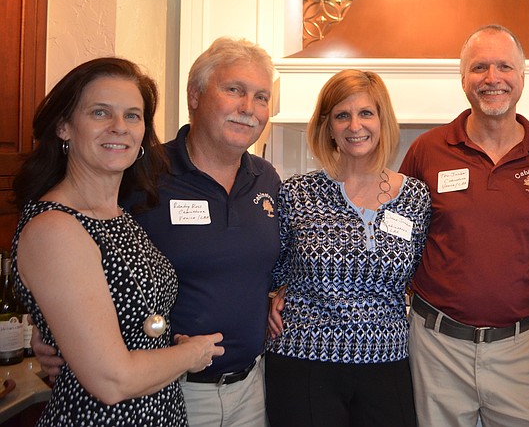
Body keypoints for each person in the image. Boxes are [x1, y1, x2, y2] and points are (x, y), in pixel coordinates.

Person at [33, 37, 281, 427]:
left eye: (261, 97)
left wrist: (279, 292)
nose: (248, 108)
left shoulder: (266, 178)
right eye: (234, 90)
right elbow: (74, 258)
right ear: (195, 95)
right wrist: (49, 328)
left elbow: (272, 260)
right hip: (166, 389)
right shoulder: (140, 174)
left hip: (250, 387)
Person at [11, 57, 224, 426]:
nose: (119, 128)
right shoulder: (55, 228)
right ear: (64, 126)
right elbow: (112, 380)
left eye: (132, 116)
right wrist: (193, 353)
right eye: (99, 113)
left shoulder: (117, 214)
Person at [399, 24, 529, 427]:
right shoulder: (427, 150)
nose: (492, 78)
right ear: (463, 79)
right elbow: (401, 242)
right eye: (479, 67)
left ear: (522, 77)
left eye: (504, 67)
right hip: (437, 347)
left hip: (518, 349)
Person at [265, 69, 431, 427]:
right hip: (304, 359)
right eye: (342, 115)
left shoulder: (415, 198)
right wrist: (267, 299)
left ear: (382, 119)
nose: (355, 125)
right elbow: (269, 266)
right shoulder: (296, 193)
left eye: (366, 113)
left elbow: (419, 270)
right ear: (328, 126)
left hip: (386, 362)